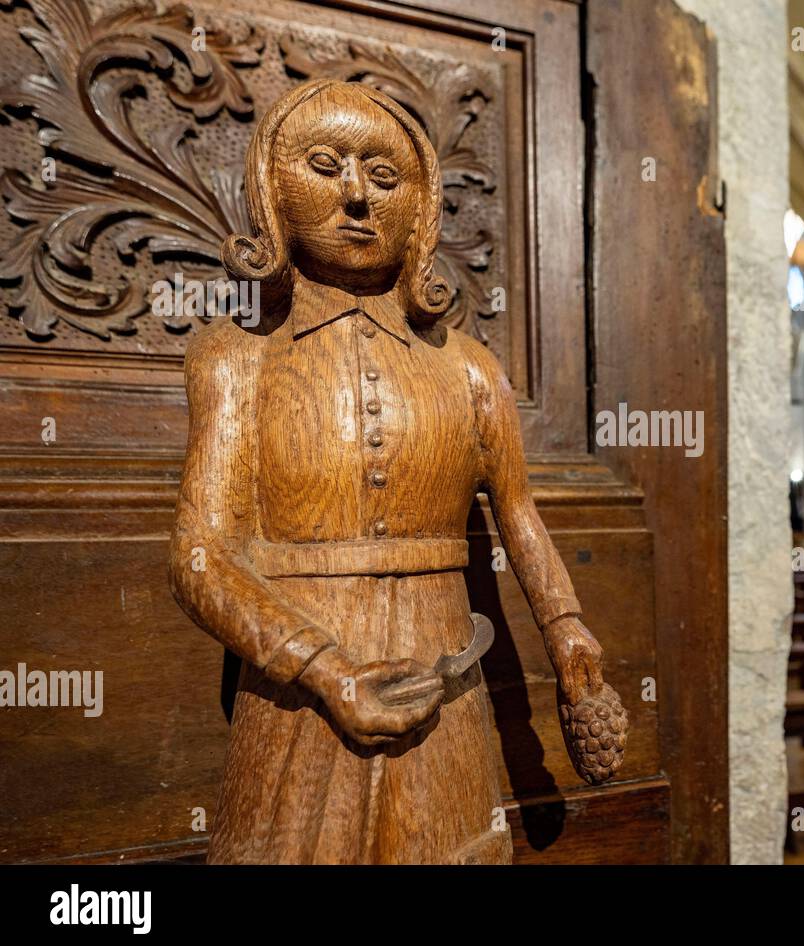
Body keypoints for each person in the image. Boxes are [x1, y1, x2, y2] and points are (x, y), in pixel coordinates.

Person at [170, 80, 625, 864]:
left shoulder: (471, 369)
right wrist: (327, 670)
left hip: (443, 685)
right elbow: (201, 558)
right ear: (271, 189)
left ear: (421, 209)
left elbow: (519, 516)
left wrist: (568, 636)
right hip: (297, 704)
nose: (355, 196)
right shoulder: (235, 359)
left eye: (384, 178)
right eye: (324, 164)